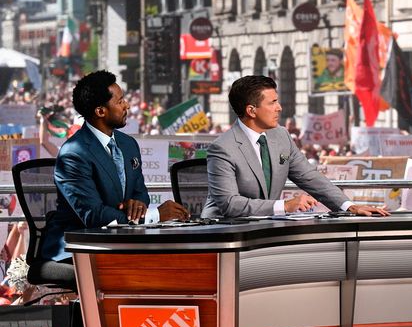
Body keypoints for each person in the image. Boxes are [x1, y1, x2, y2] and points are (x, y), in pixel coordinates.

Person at [39, 71, 190, 264]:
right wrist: (156, 215)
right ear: (100, 111)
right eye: (120, 102)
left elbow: (140, 194)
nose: (127, 105)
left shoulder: (128, 144)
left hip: (122, 241)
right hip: (78, 248)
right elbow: (94, 216)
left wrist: (136, 206)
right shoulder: (73, 153)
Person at [202, 75, 389, 218]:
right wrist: (284, 206)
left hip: (265, 226)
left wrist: (349, 206)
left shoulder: (281, 135)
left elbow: (309, 177)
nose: (279, 108)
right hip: (223, 231)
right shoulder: (223, 148)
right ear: (251, 110)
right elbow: (230, 204)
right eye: (272, 102)